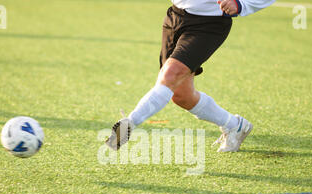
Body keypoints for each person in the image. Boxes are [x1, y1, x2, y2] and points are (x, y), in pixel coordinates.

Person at [106, 0, 275, 152]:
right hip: (175, 17)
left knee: (170, 75)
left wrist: (241, 4)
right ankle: (235, 126)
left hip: (208, 24)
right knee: (181, 95)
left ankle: (129, 124)